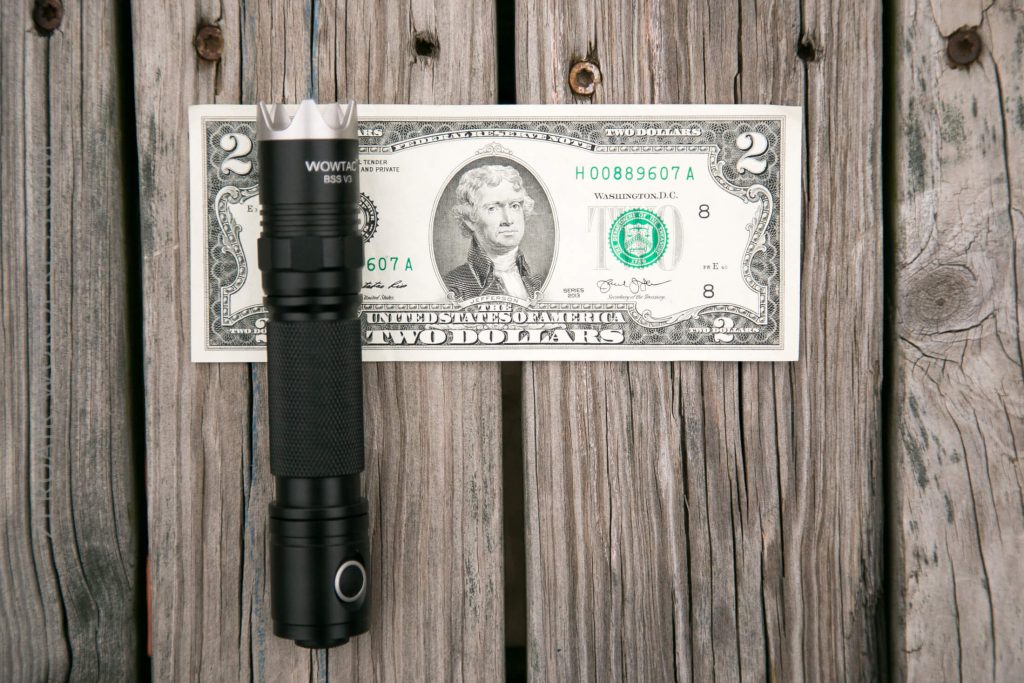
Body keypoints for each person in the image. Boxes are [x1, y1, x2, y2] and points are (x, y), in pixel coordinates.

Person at [443, 165, 544, 301]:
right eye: (492, 208)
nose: (508, 220)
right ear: (469, 219)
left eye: (515, 206)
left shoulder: (538, 283)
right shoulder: (453, 286)